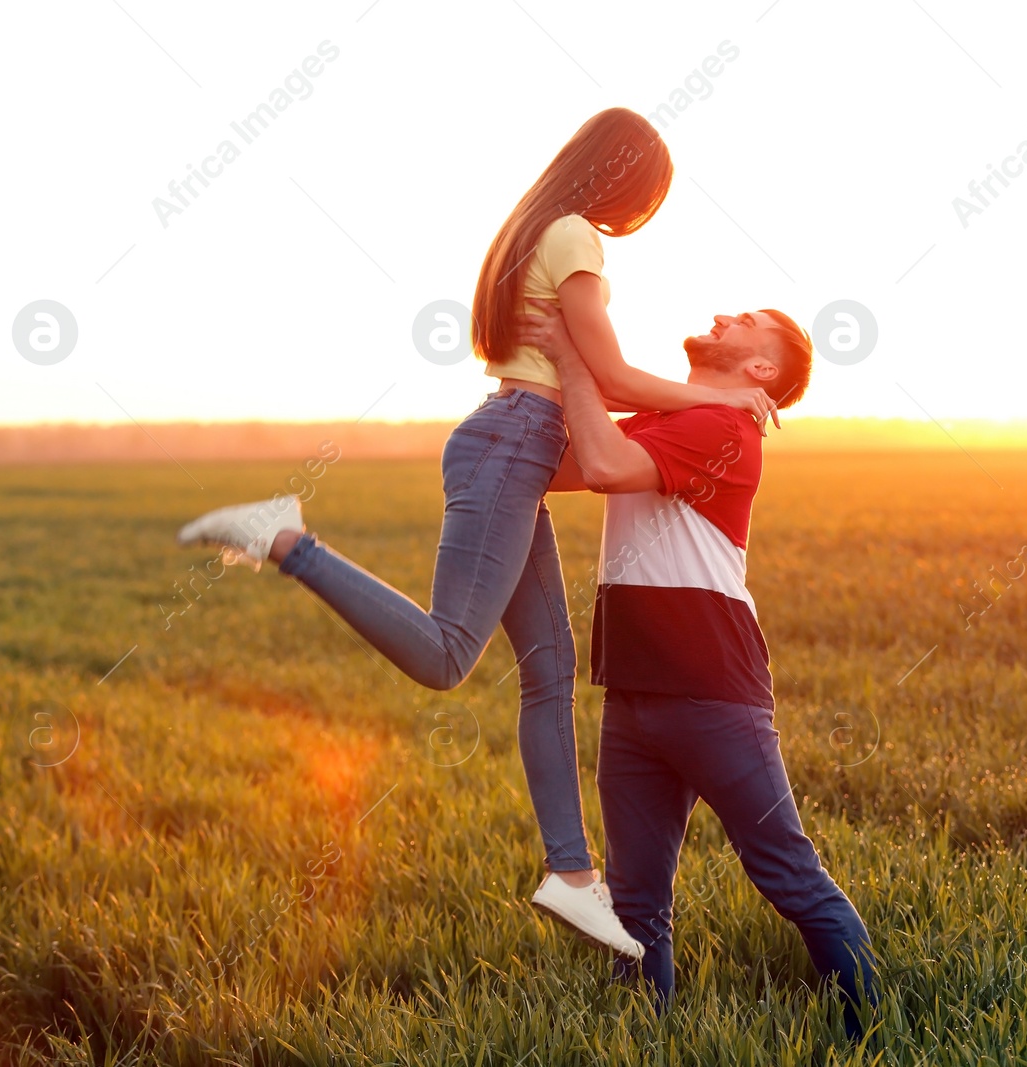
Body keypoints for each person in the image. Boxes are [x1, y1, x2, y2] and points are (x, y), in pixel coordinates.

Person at [172, 108, 778, 960]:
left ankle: (570, 875)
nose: (637, 214)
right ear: (624, 179)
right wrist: (720, 398)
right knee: (449, 651)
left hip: (515, 443)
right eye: (645, 196)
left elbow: (588, 386)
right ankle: (288, 539)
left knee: (550, 668)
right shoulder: (574, 236)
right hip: (514, 442)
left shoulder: (535, 227)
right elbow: (607, 376)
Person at [515, 298, 879, 1040]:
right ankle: (642, 1041)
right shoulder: (674, 415)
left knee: (790, 876)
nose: (721, 315)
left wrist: (565, 354)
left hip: (714, 691)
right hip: (636, 693)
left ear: (761, 369)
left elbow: (608, 466)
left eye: (744, 319)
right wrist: (553, 374)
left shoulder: (721, 428)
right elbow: (563, 467)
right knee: (638, 903)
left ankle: (872, 1031)